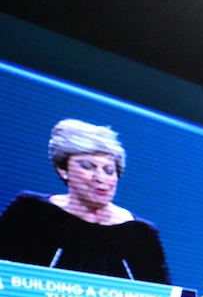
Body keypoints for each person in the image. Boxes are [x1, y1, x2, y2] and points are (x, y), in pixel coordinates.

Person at [0, 119, 170, 284]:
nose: (100, 178)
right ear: (63, 170)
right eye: (88, 167)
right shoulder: (31, 212)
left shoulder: (140, 233)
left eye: (109, 170)